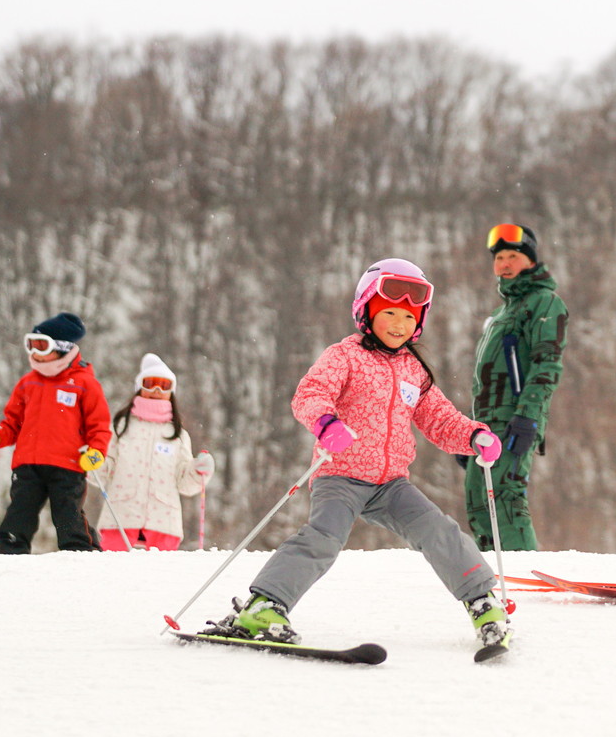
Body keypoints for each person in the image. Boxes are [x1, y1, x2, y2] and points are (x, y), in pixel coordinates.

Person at [208, 258, 512, 656]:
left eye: (408, 316)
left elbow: (438, 418)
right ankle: (264, 606)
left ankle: (484, 605)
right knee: (323, 538)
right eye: (388, 313)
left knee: (438, 530)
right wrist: (326, 423)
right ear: (366, 312)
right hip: (341, 475)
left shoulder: (413, 370)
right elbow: (310, 394)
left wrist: (474, 435)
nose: (399, 324)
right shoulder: (345, 356)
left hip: (390, 484)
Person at [460, 223, 568, 551]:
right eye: (500, 257)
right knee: (479, 499)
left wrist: (527, 418)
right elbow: (487, 377)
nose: (505, 264)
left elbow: (547, 364)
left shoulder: (544, 302)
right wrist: (466, 429)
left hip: (515, 418)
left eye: (513, 256)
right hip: (487, 424)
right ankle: (494, 569)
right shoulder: (501, 313)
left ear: (531, 261)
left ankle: (525, 569)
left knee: (506, 497)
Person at [0, 312, 111, 553]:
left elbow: (99, 426)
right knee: (20, 510)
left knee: (67, 512)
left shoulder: (84, 383)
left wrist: (96, 451)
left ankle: (80, 550)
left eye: (41, 345)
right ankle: (9, 549)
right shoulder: (28, 383)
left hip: (68, 464)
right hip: (28, 463)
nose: (34, 352)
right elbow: (12, 423)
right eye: (31, 344)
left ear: (62, 348)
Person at [95, 353, 215, 551]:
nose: (157, 390)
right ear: (139, 387)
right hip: (120, 518)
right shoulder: (120, 427)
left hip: (164, 522)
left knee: (157, 579)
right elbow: (104, 471)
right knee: (114, 576)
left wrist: (198, 471)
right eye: (150, 383)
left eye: (164, 385)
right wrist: (94, 461)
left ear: (171, 392)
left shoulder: (177, 434)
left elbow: (184, 482)